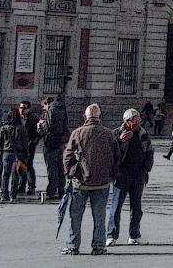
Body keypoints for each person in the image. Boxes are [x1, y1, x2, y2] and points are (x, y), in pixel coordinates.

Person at [62, 104, 119, 256]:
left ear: (85, 117)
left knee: (75, 216)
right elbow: (116, 157)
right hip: (102, 182)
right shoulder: (109, 134)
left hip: (80, 182)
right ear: (100, 117)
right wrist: (111, 174)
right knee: (99, 216)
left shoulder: (78, 132)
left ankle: (73, 245)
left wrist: (71, 172)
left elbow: (67, 156)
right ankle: (99, 245)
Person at [106, 108, 153, 247]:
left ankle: (134, 235)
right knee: (116, 206)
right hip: (121, 175)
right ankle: (111, 236)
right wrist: (119, 141)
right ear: (127, 122)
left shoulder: (143, 133)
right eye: (135, 121)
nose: (138, 124)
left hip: (138, 175)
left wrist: (146, 168)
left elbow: (149, 151)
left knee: (137, 207)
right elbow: (109, 152)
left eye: (139, 121)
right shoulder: (116, 133)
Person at [0, 108, 29, 202]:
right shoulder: (21, 128)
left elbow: (0, 143)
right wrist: (26, 154)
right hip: (18, 154)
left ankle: (4, 195)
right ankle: (13, 195)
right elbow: (25, 143)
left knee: (5, 174)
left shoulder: (3, 128)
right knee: (16, 174)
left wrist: (0, 154)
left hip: (6, 152)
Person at [40, 97, 69, 199]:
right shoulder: (63, 110)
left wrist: (40, 125)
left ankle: (51, 192)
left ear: (47, 103)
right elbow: (66, 126)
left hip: (50, 143)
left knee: (52, 169)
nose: (43, 109)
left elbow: (47, 127)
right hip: (61, 142)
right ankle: (61, 190)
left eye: (43, 107)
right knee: (61, 168)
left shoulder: (51, 110)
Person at [16, 100, 40, 195]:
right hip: (20, 146)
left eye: (24, 108)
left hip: (30, 146)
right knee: (21, 165)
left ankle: (31, 187)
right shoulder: (16, 118)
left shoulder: (33, 118)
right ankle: (21, 186)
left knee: (29, 166)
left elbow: (39, 132)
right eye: (20, 107)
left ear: (28, 109)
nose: (22, 110)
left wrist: (34, 141)